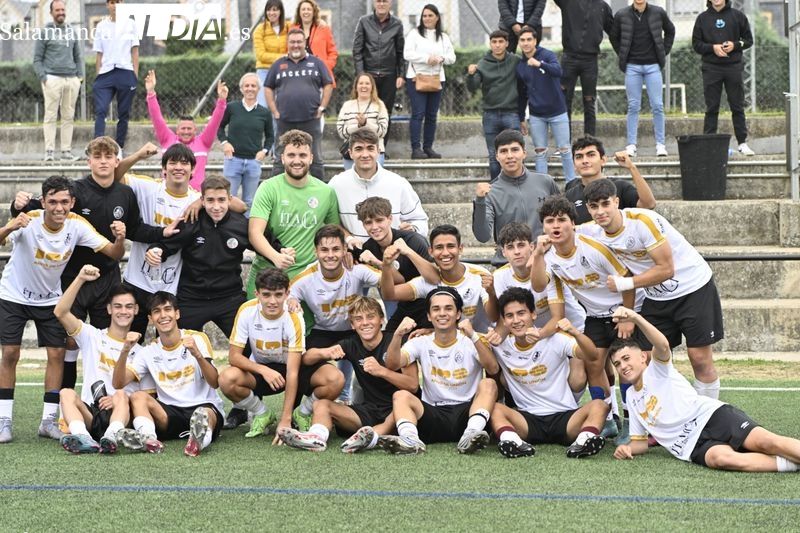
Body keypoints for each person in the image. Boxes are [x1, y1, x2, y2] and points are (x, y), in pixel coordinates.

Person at [10, 136, 168, 391]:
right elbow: (42, 208)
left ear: (117, 160)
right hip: (74, 276)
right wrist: (15, 205)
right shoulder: (77, 190)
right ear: (89, 161)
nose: (103, 162)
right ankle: (67, 400)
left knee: (109, 341)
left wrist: (164, 233)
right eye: (98, 157)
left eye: (108, 157)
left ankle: (111, 399)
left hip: (107, 277)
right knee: (70, 343)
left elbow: (136, 229)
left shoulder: (125, 193)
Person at [0, 175, 122, 443]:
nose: (58, 208)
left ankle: (48, 421)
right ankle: (4, 421)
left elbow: (113, 253)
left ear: (72, 202)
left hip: (48, 299)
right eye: (52, 202)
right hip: (13, 295)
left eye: (64, 202)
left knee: (58, 353)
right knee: (10, 353)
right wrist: (9, 226)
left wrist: (121, 238)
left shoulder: (76, 224)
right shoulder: (28, 219)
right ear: (43, 202)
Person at [580, 179, 723, 400]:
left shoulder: (642, 221)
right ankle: (659, 418)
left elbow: (666, 269)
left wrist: (625, 284)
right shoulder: (592, 231)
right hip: (656, 297)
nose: (600, 211)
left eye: (605, 204)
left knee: (699, 358)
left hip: (693, 289)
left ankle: (706, 419)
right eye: (593, 206)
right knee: (643, 358)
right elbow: (564, 231)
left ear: (616, 202)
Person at [611, 306, 800, 472]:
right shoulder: (630, 396)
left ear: (643, 357)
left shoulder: (657, 369)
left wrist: (635, 318)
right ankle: (792, 465)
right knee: (722, 459)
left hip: (711, 416)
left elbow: (662, 344)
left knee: (766, 443)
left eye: (627, 358)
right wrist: (628, 448)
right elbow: (640, 443)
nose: (623, 366)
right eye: (617, 363)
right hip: (690, 446)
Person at [531, 194, 643, 438]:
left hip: (623, 308)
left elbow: (628, 280)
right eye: (549, 221)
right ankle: (607, 418)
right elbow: (540, 286)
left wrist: (626, 316)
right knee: (593, 364)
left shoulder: (592, 248)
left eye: (561, 220)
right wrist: (537, 255)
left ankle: (633, 424)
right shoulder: (547, 257)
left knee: (626, 364)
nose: (555, 226)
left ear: (573, 223)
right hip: (594, 315)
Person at [278, 296, 420, 452]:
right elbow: (305, 359)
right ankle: (316, 438)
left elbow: (413, 386)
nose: (365, 323)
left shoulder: (398, 341)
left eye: (370, 317)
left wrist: (383, 371)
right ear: (352, 325)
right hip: (371, 410)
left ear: (381, 320)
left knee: (399, 403)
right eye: (358, 319)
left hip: (402, 409)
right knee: (322, 405)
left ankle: (373, 437)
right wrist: (324, 353)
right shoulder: (351, 344)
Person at [218, 268, 343, 441]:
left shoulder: (293, 315)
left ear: (287, 293)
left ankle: (302, 412)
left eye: (278, 294)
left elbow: (292, 371)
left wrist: (286, 420)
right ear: (257, 294)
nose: (272, 301)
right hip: (263, 371)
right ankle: (262, 414)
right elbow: (234, 357)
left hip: (293, 368)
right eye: (266, 295)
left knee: (335, 379)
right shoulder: (246, 310)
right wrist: (263, 370)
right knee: (226, 378)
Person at [486, 287, 609, 458]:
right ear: (504, 321)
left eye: (521, 313)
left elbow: (593, 355)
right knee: (495, 408)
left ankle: (583, 442)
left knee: (600, 405)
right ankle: (513, 442)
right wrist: (479, 338)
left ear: (533, 314)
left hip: (565, 417)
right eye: (509, 316)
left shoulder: (555, 339)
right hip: (528, 420)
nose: (516, 320)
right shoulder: (500, 345)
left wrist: (574, 331)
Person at [379, 287, 500, 454]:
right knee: (400, 396)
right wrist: (398, 334)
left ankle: (471, 435)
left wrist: (473, 335)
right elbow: (392, 364)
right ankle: (410, 440)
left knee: (489, 384)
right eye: (436, 309)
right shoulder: (420, 342)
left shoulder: (471, 339)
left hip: (468, 413)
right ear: (429, 316)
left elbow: (493, 368)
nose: (442, 313)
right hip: (434, 414)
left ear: (458, 314)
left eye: (448, 308)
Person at [112, 292, 224, 457]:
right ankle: (148, 439)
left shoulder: (197, 338)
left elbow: (214, 382)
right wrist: (125, 349)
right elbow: (118, 383)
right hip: (170, 413)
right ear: (151, 318)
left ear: (177, 314)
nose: (163, 315)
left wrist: (197, 355)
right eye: (157, 311)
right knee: (137, 397)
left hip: (203, 405)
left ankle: (197, 442)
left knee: (204, 414)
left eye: (167, 309)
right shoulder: (148, 351)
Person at [55, 267, 151, 454]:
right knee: (66, 393)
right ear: (109, 309)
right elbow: (60, 312)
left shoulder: (142, 352)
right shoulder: (92, 336)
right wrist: (80, 278)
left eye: (129, 306)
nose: (123, 311)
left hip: (122, 415)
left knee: (121, 395)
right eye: (118, 306)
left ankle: (112, 436)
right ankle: (83, 437)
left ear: (136, 309)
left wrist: (116, 400)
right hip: (92, 413)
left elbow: (147, 398)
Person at [144, 176, 249, 338]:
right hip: (192, 297)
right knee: (169, 340)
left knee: (250, 344)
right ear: (202, 200)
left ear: (229, 200)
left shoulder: (241, 224)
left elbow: (264, 241)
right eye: (210, 200)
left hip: (229, 297)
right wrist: (155, 250)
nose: (216, 207)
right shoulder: (191, 221)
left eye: (221, 200)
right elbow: (166, 245)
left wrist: (280, 251)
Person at [288, 225, 379, 409]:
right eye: (324, 250)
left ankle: (371, 406)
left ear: (345, 250)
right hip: (324, 331)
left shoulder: (356, 269)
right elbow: (287, 295)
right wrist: (291, 301)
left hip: (355, 331)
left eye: (336, 249)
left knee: (379, 357)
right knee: (300, 362)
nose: (330, 255)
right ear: (316, 251)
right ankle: (298, 412)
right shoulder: (305, 278)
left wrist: (377, 262)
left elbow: (390, 281)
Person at [120, 143, 202, 339]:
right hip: (137, 281)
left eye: (184, 163)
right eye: (172, 163)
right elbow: (114, 175)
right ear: (164, 169)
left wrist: (201, 200)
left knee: (168, 347)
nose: (178, 167)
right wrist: (139, 154)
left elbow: (235, 203)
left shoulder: (197, 199)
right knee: (128, 344)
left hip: (170, 286)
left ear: (193, 169)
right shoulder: (149, 188)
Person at [247, 129, 340, 298]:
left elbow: (336, 233)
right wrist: (275, 256)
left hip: (306, 280)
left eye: (302, 155)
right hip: (266, 275)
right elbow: (254, 233)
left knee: (304, 325)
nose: (297, 161)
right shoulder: (268, 188)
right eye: (291, 155)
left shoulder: (326, 192)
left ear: (311, 158)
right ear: (282, 158)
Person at [381, 224, 497, 331]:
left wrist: (492, 293)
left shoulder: (479, 274)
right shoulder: (427, 281)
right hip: (450, 342)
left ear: (460, 249)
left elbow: (494, 317)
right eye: (439, 247)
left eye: (450, 246)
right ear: (431, 252)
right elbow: (389, 294)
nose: (445, 252)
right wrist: (386, 265)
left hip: (481, 342)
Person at [472, 128, 559, 266]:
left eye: (515, 150)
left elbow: (561, 221)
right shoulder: (490, 193)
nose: (510, 155)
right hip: (508, 265)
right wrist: (480, 201)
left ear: (524, 153)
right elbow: (482, 236)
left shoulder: (546, 182)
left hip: (545, 261)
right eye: (504, 151)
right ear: (497, 156)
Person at [329, 127, 428, 243]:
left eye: (370, 148)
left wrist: (413, 229)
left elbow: (420, 220)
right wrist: (348, 239)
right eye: (359, 149)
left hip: (393, 255)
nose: (365, 154)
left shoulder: (399, 183)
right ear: (350, 153)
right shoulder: (336, 184)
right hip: (355, 257)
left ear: (378, 151)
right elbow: (330, 223)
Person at [355, 196, 435, 334]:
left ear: (390, 218)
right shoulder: (369, 248)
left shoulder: (413, 241)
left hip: (430, 303)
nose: (374, 227)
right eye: (368, 223)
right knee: (388, 340)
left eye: (379, 220)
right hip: (404, 305)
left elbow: (435, 277)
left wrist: (406, 252)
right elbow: (398, 281)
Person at [492, 222, 585, 334]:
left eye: (521, 245)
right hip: (538, 337)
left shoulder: (548, 267)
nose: (517, 252)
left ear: (531, 247)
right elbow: (507, 318)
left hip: (575, 328)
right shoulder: (499, 276)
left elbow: (558, 317)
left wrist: (538, 336)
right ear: (503, 252)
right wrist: (494, 338)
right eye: (510, 247)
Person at [265, 28, 332, 181]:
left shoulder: (316, 63)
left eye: (299, 42)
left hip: (310, 119)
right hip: (285, 120)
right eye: (292, 42)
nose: (296, 45)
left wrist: (322, 108)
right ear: (287, 44)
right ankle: (277, 191)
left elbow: (328, 84)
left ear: (304, 43)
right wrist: (274, 110)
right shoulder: (278, 64)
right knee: (280, 158)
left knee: (315, 159)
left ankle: (320, 191)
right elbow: (268, 87)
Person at [610, 0, 675, 158]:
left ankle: (660, 144)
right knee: (633, 106)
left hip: (653, 66)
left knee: (658, 105)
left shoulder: (658, 12)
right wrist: (623, 54)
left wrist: (663, 51)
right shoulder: (622, 14)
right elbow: (614, 37)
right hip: (632, 67)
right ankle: (631, 144)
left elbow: (670, 31)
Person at [145, 70, 228, 189]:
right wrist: (151, 92)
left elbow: (215, 121)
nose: (186, 131)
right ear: (177, 130)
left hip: (195, 197)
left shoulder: (204, 142)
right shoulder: (167, 139)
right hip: (168, 193)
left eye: (189, 129)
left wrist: (221, 100)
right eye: (183, 128)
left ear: (195, 130)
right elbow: (156, 117)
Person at [692, 0, 755, 156]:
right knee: (712, 107)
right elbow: (696, 44)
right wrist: (713, 48)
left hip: (733, 67)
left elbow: (748, 40)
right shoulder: (702, 18)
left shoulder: (738, 16)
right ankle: (709, 143)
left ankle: (742, 143)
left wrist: (735, 45)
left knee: (737, 106)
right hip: (711, 68)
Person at [516, 26, 576, 183]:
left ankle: (572, 184)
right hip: (537, 115)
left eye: (529, 39)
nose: (526, 43)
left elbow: (558, 71)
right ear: (519, 43)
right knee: (540, 152)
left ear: (535, 41)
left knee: (565, 150)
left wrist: (540, 64)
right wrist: (521, 117)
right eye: (522, 40)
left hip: (558, 111)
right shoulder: (520, 65)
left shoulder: (547, 55)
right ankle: (542, 185)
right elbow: (522, 95)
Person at [466, 30, 524, 181]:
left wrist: (524, 116)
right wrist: (471, 75)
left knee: (515, 154)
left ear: (507, 43)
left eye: (500, 42)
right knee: (494, 156)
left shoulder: (515, 61)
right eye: (494, 42)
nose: (497, 45)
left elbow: (526, 82)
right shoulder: (483, 64)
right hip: (490, 114)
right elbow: (473, 88)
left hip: (511, 113)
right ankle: (497, 190)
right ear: (490, 44)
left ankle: (517, 185)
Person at [403, 4, 456, 160]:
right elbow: (407, 54)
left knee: (432, 115)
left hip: (437, 79)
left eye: (430, 15)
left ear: (437, 17)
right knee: (418, 113)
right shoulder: (414, 34)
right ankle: (416, 149)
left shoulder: (443, 37)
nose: (426, 18)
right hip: (416, 78)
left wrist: (441, 58)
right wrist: (427, 59)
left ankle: (428, 147)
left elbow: (452, 57)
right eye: (424, 16)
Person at [33, 0, 83, 162]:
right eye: (57, 10)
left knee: (68, 116)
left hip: (71, 80)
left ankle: (66, 152)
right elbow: (37, 59)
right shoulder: (44, 32)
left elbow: (78, 56)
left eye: (63, 9)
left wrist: (80, 78)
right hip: (52, 79)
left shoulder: (72, 31)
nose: (61, 12)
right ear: (51, 12)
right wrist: (44, 78)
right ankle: (49, 152)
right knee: (51, 115)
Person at [554, 0, 613, 137]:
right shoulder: (568, 2)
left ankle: (590, 140)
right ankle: (564, 143)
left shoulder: (603, 6)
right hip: (569, 58)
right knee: (564, 102)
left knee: (589, 102)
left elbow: (614, 31)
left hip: (590, 60)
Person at [566, 135, 656, 224]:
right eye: (579, 157)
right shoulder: (570, 192)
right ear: (574, 164)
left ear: (603, 160)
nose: (585, 161)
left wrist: (631, 167)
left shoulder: (619, 187)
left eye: (591, 155)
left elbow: (648, 205)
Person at [217, 72, 273, 214]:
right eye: (246, 85)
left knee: (249, 201)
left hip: (254, 163)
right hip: (233, 160)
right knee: (229, 198)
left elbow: (270, 137)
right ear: (241, 89)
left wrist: (264, 151)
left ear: (258, 89)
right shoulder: (232, 108)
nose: (250, 88)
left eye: (253, 86)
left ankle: (246, 233)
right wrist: (225, 143)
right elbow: (219, 127)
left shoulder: (264, 112)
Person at [352, 0, 405, 147]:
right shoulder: (364, 22)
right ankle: (365, 147)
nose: (381, 4)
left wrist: (401, 74)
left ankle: (381, 148)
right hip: (369, 76)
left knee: (385, 113)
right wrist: (361, 75)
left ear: (390, 4)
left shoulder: (397, 24)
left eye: (385, 1)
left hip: (389, 76)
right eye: (378, 1)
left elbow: (400, 52)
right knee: (366, 112)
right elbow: (357, 50)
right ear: (374, 3)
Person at [92, 0, 139, 151]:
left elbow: (135, 51)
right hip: (106, 73)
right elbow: (99, 54)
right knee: (101, 109)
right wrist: (98, 75)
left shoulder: (130, 24)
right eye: (112, 2)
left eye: (117, 2)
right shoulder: (101, 26)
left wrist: (134, 75)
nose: (115, 5)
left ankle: (119, 148)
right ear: (107, 5)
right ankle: (97, 144)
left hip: (125, 71)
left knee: (123, 113)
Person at [336, 74, 389, 169]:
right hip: (351, 154)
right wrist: (358, 126)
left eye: (367, 83)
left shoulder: (379, 105)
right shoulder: (347, 105)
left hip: (375, 153)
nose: (364, 86)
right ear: (356, 87)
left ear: (372, 87)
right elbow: (341, 132)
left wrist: (365, 123)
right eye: (361, 83)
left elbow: (383, 131)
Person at [291, 0, 338, 89]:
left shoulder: (324, 28)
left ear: (314, 12)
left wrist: (326, 66)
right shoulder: (292, 29)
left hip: (319, 76)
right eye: (303, 9)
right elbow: (288, 51)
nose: (306, 12)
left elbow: (333, 52)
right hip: (298, 76)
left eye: (309, 9)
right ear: (299, 12)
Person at [253, 0, 289, 112]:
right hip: (264, 71)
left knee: (280, 106)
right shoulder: (260, 29)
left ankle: (278, 130)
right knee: (263, 106)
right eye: (268, 10)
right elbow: (261, 55)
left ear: (280, 11)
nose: (271, 13)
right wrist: (284, 56)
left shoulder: (288, 27)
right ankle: (264, 129)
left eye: (275, 10)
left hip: (283, 70)